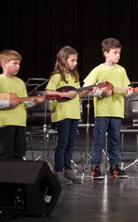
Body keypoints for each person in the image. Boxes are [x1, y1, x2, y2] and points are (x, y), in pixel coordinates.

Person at [84, 38, 134, 179]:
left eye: (119, 52)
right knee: (99, 139)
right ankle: (95, 167)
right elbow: (87, 87)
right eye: (115, 52)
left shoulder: (121, 70)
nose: (118, 55)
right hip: (102, 111)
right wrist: (101, 93)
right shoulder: (98, 70)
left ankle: (114, 167)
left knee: (114, 140)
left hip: (117, 111)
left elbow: (125, 88)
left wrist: (128, 91)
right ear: (106, 53)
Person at [0, 50, 44, 160]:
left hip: (20, 122)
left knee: (20, 153)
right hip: (5, 122)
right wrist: (7, 103)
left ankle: (17, 177)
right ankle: (6, 177)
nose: (18, 66)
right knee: (7, 153)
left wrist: (34, 101)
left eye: (19, 64)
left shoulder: (20, 82)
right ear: (4, 64)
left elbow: (23, 103)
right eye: (15, 63)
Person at [46, 46, 94, 185]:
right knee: (62, 143)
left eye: (76, 60)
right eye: (72, 60)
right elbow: (49, 94)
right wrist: (64, 94)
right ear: (63, 60)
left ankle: (67, 170)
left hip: (73, 114)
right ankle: (58, 172)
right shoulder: (56, 76)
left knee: (70, 143)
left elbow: (77, 95)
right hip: (62, 114)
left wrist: (87, 91)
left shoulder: (74, 76)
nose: (75, 63)